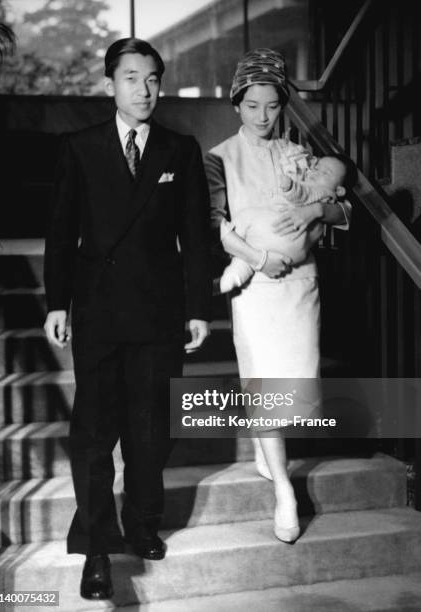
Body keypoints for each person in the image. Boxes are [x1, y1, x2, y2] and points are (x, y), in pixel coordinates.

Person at [44, 38, 212, 600]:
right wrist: (54, 303)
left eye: (154, 78)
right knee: (94, 435)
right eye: (133, 77)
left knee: (153, 429)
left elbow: (195, 233)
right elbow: (62, 234)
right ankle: (96, 547)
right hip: (98, 310)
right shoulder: (81, 147)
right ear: (110, 84)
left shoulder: (179, 149)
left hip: (160, 312)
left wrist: (197, 310)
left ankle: (142, 521)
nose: (145, 89)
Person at [205, 48, 352, 544]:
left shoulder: (301, 155)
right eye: (251, 106)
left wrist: (314, 215)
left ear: (283, 105)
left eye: (271, 106)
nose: (262, 116)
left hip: (300, 283)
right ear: (236, 105)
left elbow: (341, 211)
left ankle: (268, 454)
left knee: (295, 387)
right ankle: (285, 490)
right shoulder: (220, 157)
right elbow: (213, 223)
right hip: (256, 285)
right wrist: (258, 258)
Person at [219, 155, 353, 292]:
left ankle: (232, 275)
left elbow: (345, 212)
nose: (315, 172)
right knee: (244, 258)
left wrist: (315, 209)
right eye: (316, 168)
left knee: (244, 224)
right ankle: (232, 276)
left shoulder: (309, 172)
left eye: (325, 173)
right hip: (275, 250)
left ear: (339, 190)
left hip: (285, 247)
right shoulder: (223, 154)